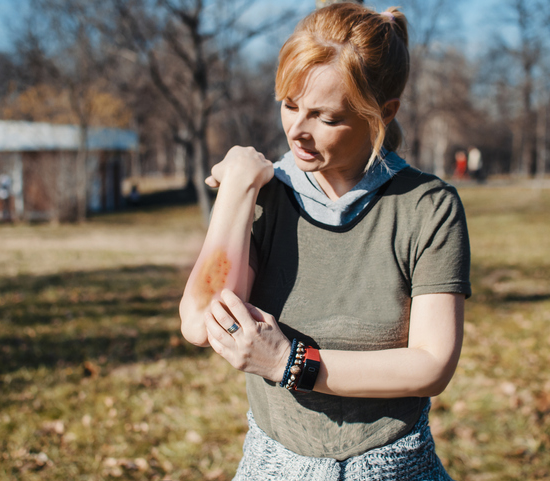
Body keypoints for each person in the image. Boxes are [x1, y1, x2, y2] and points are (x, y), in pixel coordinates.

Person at [179, 4, 471, 480]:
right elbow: (199, 322)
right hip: (273, 464)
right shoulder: (267, 197)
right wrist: (237, 189)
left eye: (326, 117)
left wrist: (289, 363)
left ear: (384, 112)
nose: (297, 130)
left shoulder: (427, 207)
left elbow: (432, 364)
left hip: (395, 466)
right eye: (290, 104)